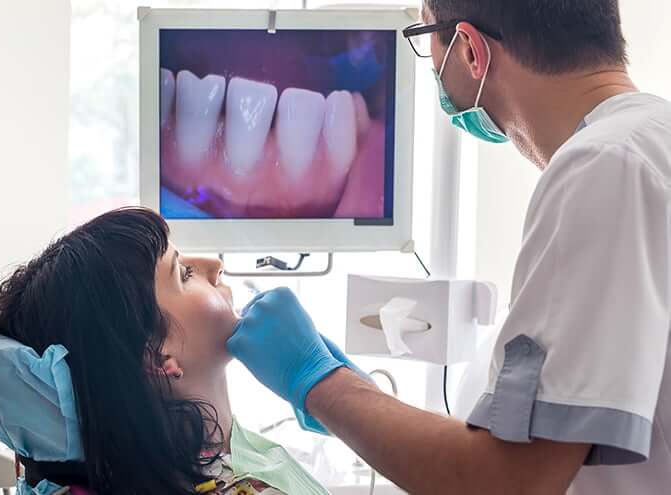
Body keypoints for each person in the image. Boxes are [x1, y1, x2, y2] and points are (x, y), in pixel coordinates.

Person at [227, 1, 671, 494]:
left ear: (470, 51)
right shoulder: (645, 143)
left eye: (426, 40)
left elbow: (508, 480)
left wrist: (320, 382)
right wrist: (365, 407)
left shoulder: (606, 166)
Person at [0, 207, 328, 495]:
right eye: (183, 274)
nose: (214, 265)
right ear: (157, 358)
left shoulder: (216, 448)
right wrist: (328, 384)